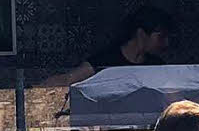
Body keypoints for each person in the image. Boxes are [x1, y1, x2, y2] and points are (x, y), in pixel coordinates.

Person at [43, 6, 176, 87]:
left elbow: (172, 99)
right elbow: (69, 79)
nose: (166, 43)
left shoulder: (157, 66)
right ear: (141, 33)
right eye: (161, 36)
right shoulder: (105, 61)